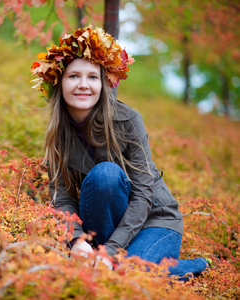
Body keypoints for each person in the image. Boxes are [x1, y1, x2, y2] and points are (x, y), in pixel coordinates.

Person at [31, 25, 208, 279]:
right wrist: (77, 240)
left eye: (92, 77)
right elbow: (62, 198)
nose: (83, 85)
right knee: (110, 274)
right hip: (107, 222)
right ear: (59, 83)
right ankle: (119, 262)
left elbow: (144, 193)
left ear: (103, 84)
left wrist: (110, 251)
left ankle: (187, 266)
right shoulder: (58, 132)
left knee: (107, 175)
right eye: (73, 77)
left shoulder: (128, 120)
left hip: (156, 221)